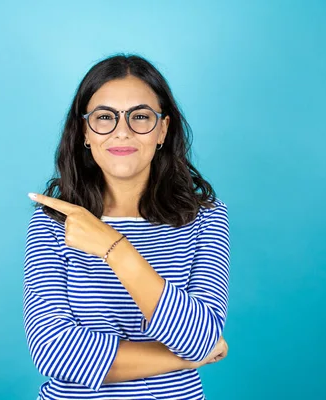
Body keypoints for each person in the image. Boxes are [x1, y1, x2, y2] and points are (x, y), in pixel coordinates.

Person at [23, 54, 231, 400]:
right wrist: (184, 358)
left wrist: (115, 249)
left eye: (140, 117)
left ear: (163, 129)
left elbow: (202, 336)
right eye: (105, 117)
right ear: (85, 132)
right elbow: (53, 352)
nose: (122, 131)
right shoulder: (54, 222)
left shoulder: (206, 217)